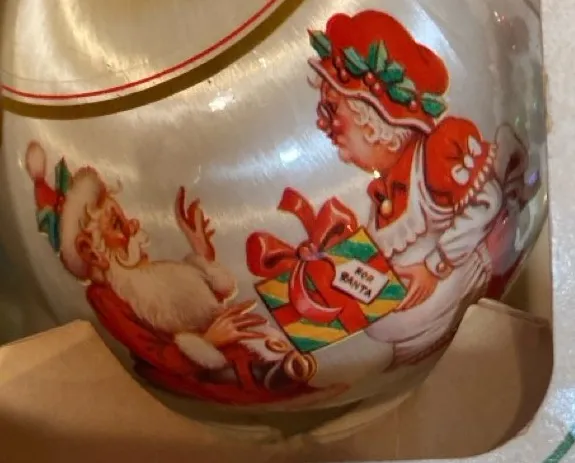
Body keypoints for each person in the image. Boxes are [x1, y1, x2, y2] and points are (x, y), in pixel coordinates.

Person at [308, 10, 537, 366]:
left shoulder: (436, 157)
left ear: (373, 118)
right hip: (407, 349)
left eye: (331, 109)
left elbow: (485, 202)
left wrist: (434, 266)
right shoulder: (383, 190)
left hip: (450, 325)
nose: (325, 125)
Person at [24, 142, 321, 405]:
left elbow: (199, 301)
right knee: (260, 360)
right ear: (92, 251)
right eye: (117, 225)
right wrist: (210, 341)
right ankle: (280, 374)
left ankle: (294, 363)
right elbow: (155, 353)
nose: (132, 226)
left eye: (124, 218)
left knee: (275, 336)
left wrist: (201, 254)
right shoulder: (109, 296)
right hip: (198, 366)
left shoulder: (150, 272)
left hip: (223, 336)